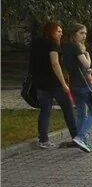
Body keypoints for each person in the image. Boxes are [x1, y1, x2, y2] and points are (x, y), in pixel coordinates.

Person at [31, 21, 79, 149]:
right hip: (55, 83)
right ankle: (76, 137)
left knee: (45, 111)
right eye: (58, 31)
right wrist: (63, 83)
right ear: (51, 31)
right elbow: (55, 63)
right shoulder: (52, 44)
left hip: (40, 83)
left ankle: (43, 140)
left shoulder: (36, 43)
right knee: (68, 108)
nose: (61, 33)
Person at [60, 23, 92, 152]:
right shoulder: (75, 47)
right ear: (73, 34)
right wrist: (87, 54)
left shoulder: (64, 47)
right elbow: (87, 64)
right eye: (81, 33)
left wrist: (86, 70)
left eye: (85, 33)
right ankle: (81, 137)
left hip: (74, 85)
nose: (84, 36)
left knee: (81, 114)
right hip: (83, 86)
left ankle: (83, 142)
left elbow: (76, 67)